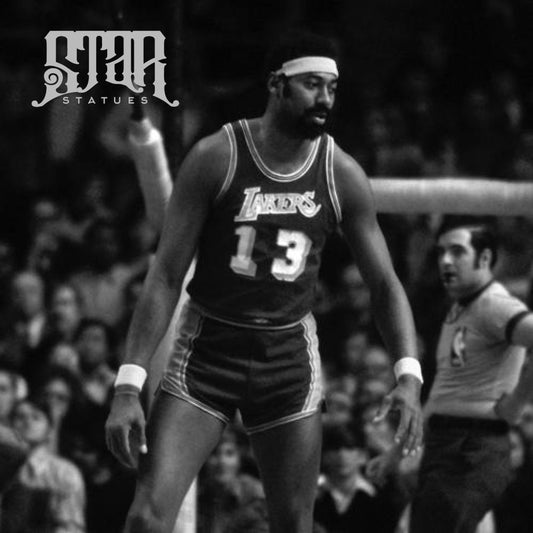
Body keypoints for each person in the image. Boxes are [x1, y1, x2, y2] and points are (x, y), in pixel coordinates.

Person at [105, 29, 423, 533]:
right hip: (209, 349)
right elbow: (165, 275)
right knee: (146, 519)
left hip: (287, 357)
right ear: (277, 84)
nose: (325, 99)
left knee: (294, 525)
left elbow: (384, 284)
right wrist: (128, 384)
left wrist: (408, 375)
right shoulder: (217, 156)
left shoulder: (340, 172)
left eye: (332, 88)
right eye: (312, 85)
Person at [408, 218, 533, 533]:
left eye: (457, 251)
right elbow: (443, 388)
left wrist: (517, 402)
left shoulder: (495, 305)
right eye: (441, 252)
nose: (446, 261)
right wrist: (398, 452)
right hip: (444, 444)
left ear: (485, 258)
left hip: (475, 447)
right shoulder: (458, 309)